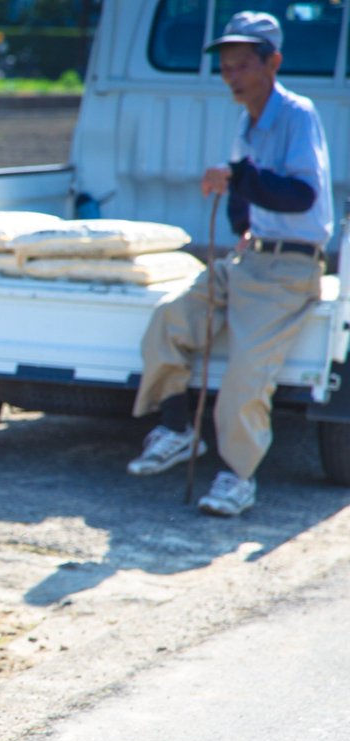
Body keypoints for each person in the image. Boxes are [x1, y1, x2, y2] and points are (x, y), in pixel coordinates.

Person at [127, 10, 333, 517]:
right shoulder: (248, 120)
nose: (231, 76)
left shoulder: (297, 114)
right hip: (249, 258)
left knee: (245, 375)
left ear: (273, 63)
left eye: (242, 65)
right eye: (225, 67)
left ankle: (238, 477)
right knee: (169, 319)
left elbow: (302, 195)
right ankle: (178, 430)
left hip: (290, 270)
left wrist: (237, 179)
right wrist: (239, 206)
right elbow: (247, 195)